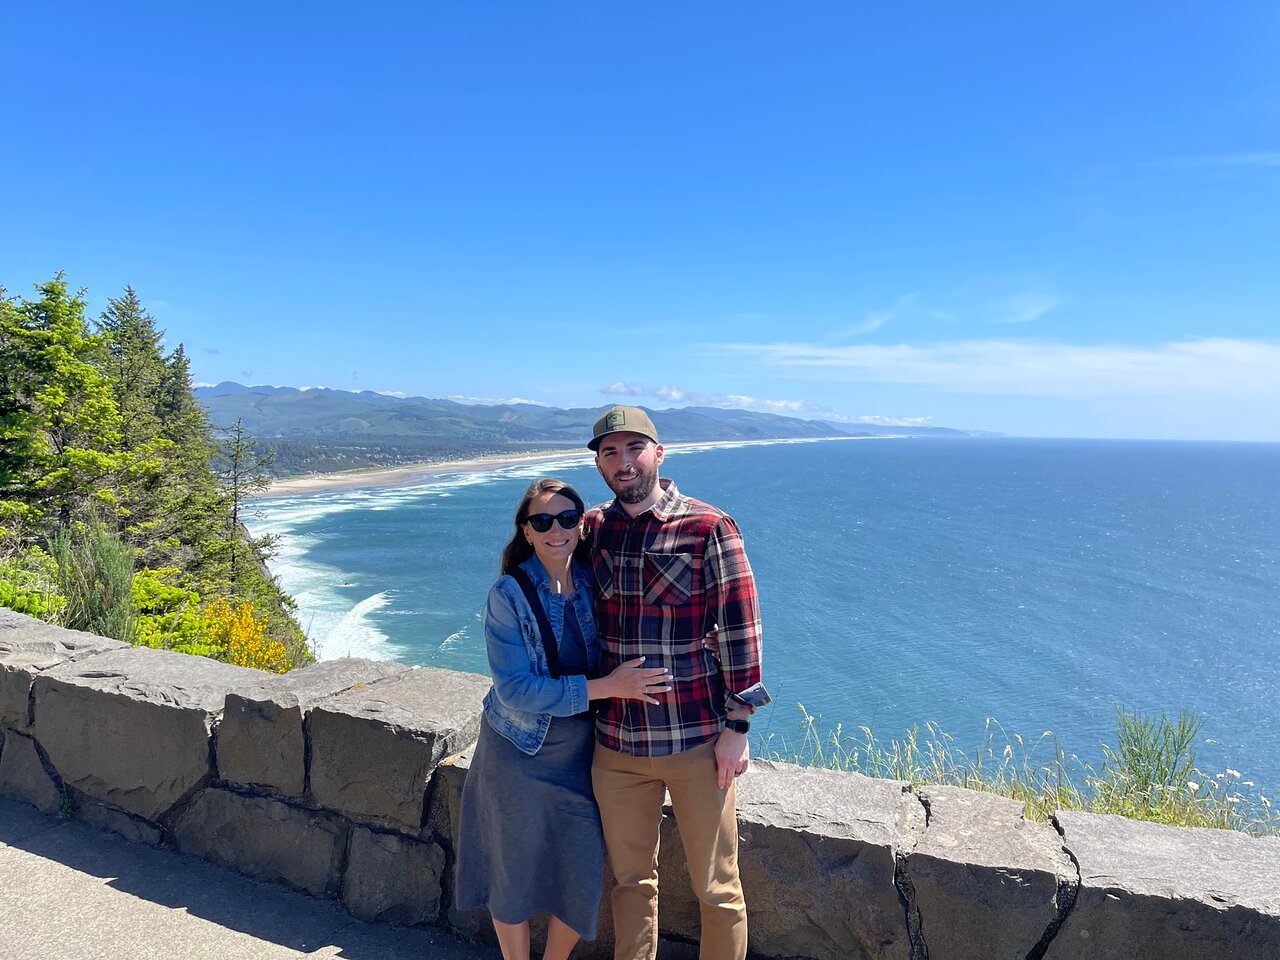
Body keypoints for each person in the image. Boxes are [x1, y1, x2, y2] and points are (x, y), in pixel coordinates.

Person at [455, 478, 675, 960]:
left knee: (581, 872)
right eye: (542, 521)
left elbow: (646, 617)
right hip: (518, 754)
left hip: (583, 755)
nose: (556, 530)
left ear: (581, 525)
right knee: (512, 872)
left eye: (567, 519)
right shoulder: (508, 594)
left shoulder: (595, 582)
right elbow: (515, 689)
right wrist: (606, 688)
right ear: (526, 531)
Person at [584, 406, 764, 960]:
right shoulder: (592, 529)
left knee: (717, 888)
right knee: (630, 883)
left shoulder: (708, 527)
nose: (623, 462)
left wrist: (738, 727)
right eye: (610, 452)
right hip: (616, 745)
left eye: (634, 448)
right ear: (599, 465)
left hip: (695, 742)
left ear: (659, 454)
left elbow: (741, 627)